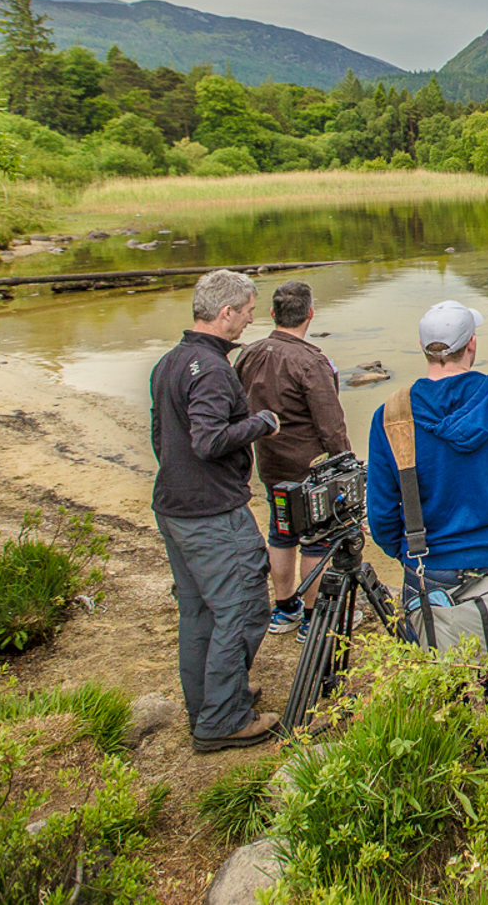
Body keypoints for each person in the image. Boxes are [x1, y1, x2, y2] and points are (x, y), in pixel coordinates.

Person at [365, 299, 488, 766]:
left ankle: (450, 759)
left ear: (425, 350)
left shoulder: (392, 414)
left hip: (428, 567)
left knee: (436, 673)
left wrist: (406, 551)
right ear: (472, 346)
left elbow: (382, 513)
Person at [149, 269, 282, 752]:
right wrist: (260, 424)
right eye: (246, 311)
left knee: (199, 612)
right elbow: (207, 440)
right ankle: (223, 719)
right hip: (210, 513)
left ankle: (209, 702)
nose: (250, 319)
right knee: (244, 609)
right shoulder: (210, 369)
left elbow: (161, 435)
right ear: (225, 313)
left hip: (175, 507)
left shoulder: (171, 361)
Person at [236, 279, 351, 640]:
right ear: (310, 314)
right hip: (310, 468)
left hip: (271, 465)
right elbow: (331, 426)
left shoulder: (249, 354)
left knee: (281, 533)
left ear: (272, 314)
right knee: (317, 540)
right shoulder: (311, 361)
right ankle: (313, 618)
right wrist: (346, 467)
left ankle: (284, 608)